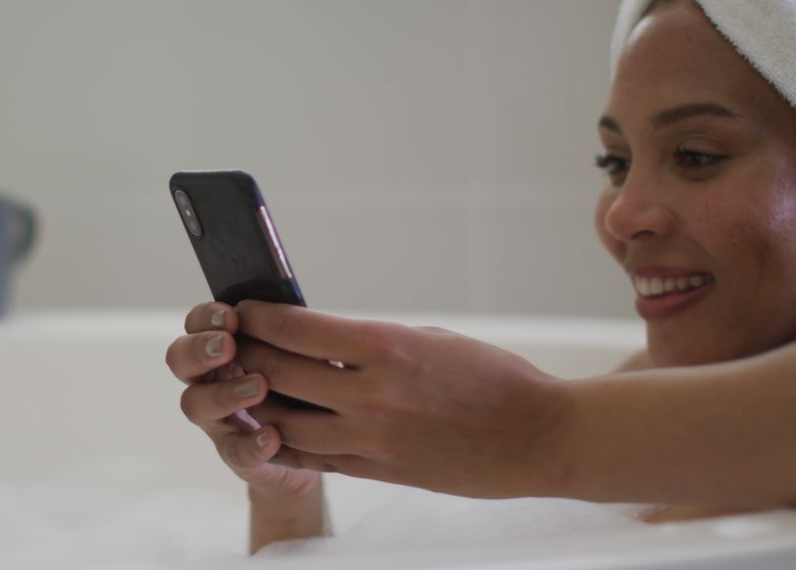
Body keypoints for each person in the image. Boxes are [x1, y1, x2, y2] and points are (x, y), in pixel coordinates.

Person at [165, 0, 796, 553]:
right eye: (616, 162)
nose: (623, 213)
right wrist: (291, 497)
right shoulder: (647, 397)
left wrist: (530, 427)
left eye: (696, 155)